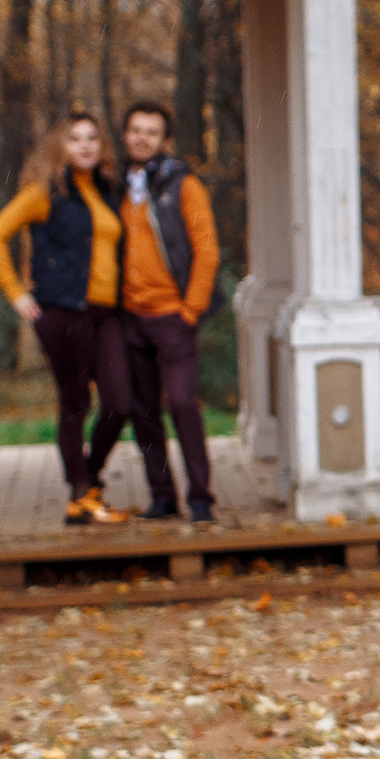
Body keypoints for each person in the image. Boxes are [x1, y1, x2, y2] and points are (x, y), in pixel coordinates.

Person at [0, 113, 132, 527]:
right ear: (59, 147)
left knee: (120, 401)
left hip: (105, 313)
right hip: (62, 312)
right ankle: (79, 496)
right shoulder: (45, 192)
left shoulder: (107, 190)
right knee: (76, 403)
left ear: (101, 147)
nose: (84, 146)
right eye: (75, 139)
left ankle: (88, 477)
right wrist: (16, 293)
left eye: (92, 139)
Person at [98, 99, 221, 523]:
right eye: (135, 130)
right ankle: (162, 496)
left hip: (173, 317)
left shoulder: (183, 185)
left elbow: (207, 251)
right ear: (126, 135)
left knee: (183, 404)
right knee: (143, 410)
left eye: (151, 132)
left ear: (164, 140)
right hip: (130, 316)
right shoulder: (115, 188)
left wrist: (191, 310)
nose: (142, 138)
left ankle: (201, 496)